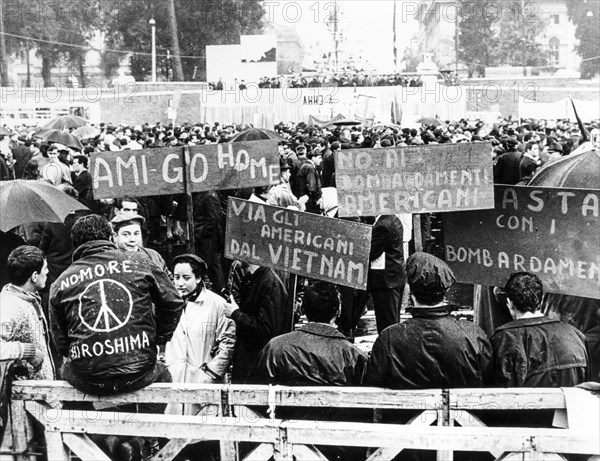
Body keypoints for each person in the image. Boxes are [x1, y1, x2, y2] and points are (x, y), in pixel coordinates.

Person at [49, 214, 184, 396]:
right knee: (164, 375)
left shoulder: (60, 282)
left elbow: (60, 340)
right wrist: (159, 338)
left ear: (75, 243)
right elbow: (174, 302)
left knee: (64, 370)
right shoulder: (141, 262)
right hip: (140, 372)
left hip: (87, 379)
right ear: (111, 237)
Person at [365, 252, 492, 389]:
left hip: (408, 409)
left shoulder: (389, 337)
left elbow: (373, 383)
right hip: (462, 410)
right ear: (445, 291)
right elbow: (489, 379)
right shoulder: (473, 334)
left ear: (412, 295)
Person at [253, 280, 366, 386]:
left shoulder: (275, 348)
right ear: (338, 311)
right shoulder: (355, 357)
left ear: (304, 309)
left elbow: (255, 395)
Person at [165, 254, 235, 416]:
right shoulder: (167, 303)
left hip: (203, 378)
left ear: (198, 278)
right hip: (174, 377)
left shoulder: (217, 304)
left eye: (186, 277)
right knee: (173, 430)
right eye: (176, 277)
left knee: (203, 431)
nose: (180, 283)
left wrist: (210, 374)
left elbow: (228, 343)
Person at [491, 272, 589, 387]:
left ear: (510, 303)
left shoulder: (503, 339)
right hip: (572, 404)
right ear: (541, 301)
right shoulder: (576, 335)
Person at [223, 262, 291, 383]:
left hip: (259, 370)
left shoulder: (270, 284)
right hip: (250, 366)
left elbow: (266, 331)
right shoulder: (253, 278)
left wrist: (235, 314)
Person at [0, 246, 54, 380]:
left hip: (37, 394)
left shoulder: (27, 299)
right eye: (45, 268)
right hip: (23, 396)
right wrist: (28, 351)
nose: (47, 272)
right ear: (34, 276)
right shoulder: (10, 306)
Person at [366, 215, 406, 333]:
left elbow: (371, 252)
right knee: (392, 319)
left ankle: (387, 349)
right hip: (394, 275)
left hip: (385, 280)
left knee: (387, 323)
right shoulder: (394, 219)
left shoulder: (383, 225)